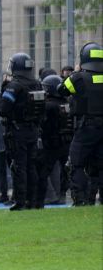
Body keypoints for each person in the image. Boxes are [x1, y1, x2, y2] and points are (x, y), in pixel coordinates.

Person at [0, 53, 45, 210]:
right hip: (33, 130)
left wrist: (4, 88)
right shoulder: (37, 84)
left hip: (18, 131)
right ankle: (33, 201)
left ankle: (20, 201)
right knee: (32, 166)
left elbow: (3, 110)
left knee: (19, 167)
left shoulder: (14, 85)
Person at [58, 42, 103, 204]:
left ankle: (81, 200)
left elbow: (61, 89)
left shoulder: (78, 78)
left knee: (76, 163)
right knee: (99, 164)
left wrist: (75, 72)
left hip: (86, 126)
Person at [36, 74, 72, 206]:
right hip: (66, 142)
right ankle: (63, 194)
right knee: (66, 170)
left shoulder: (48, 105)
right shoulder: (66, 102)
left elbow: (42, 122)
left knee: (43, 172)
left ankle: (41, 200)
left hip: (51, 144)